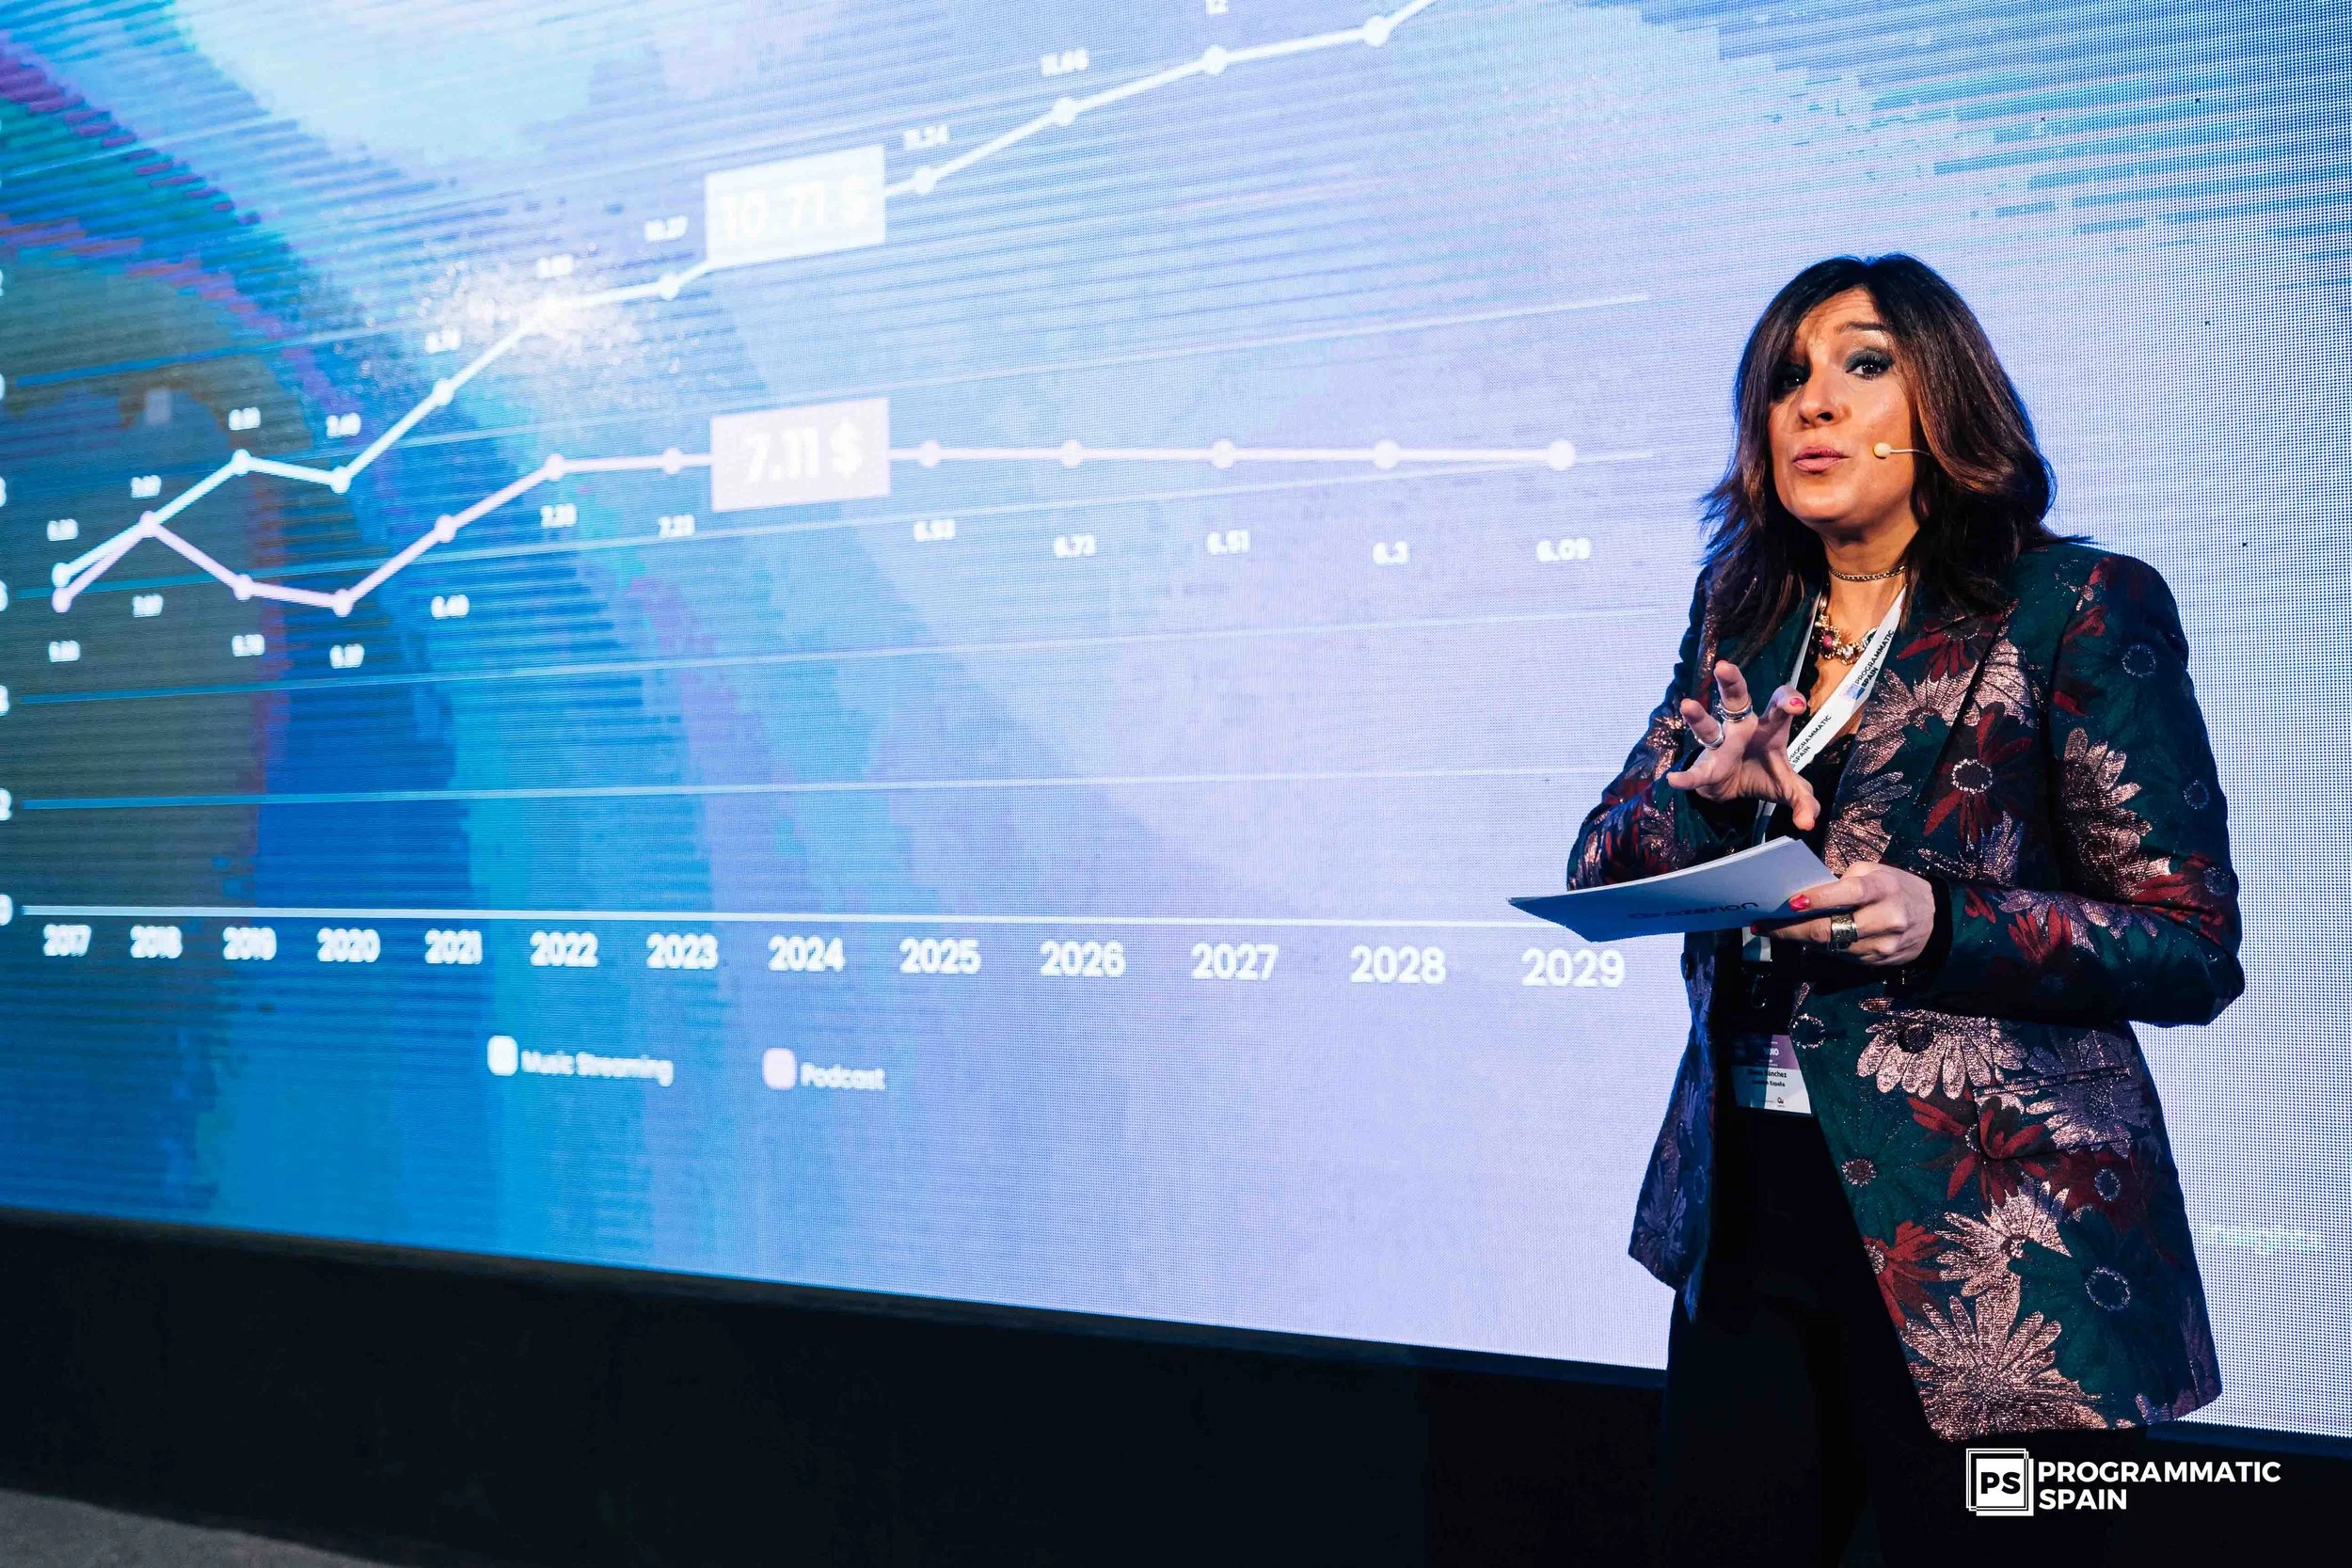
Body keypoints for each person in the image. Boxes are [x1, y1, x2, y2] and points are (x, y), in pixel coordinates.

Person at [1566, 255, 2241, 1567]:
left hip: (2000, 1252)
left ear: (1944, 400)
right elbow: (1600, 866)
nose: (1814, 403)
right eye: (1787, 379)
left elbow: (2191, 941)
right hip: (1748, 1214)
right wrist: (1705, 807)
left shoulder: (2075, 606)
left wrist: (1945, 923)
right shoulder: (1743, 614)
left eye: (1862, 364)